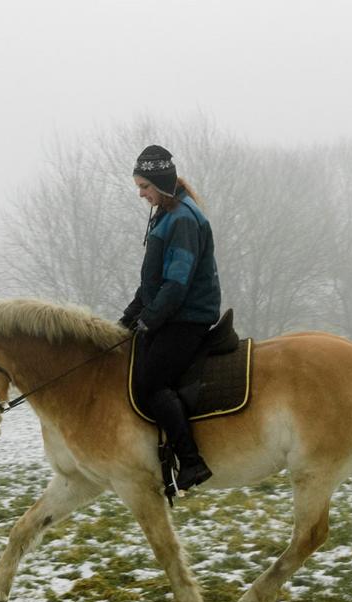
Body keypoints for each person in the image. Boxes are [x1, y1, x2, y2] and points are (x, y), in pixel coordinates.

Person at [118, 144, 221, 490]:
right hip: (172, 314)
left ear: (160, 184)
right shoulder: (166, 214)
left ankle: (191, 462)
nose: (141, 194)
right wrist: (130, 316)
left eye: (144, 187)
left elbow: (176, 284)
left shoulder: (182, 220)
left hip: (187, 318)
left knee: (148, 385)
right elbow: (153, 283)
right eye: (139, 187)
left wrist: (150, 319)